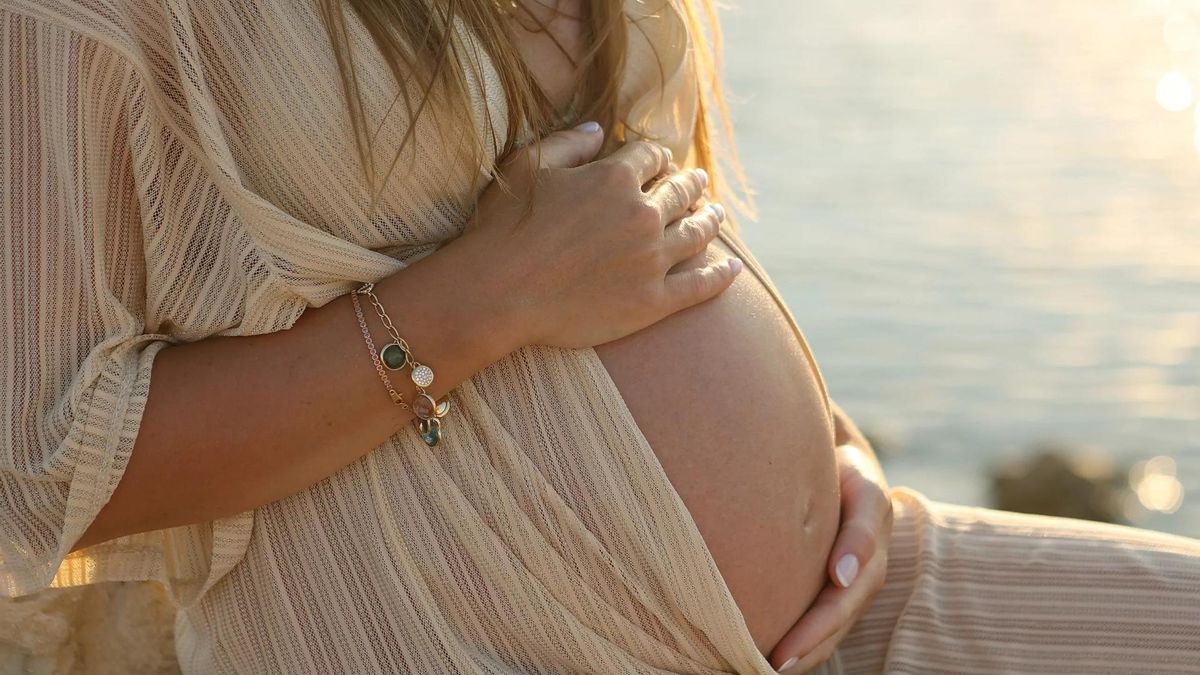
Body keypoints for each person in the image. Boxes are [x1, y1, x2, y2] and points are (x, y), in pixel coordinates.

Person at [1, 0, 1197, 673]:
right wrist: (483, 296)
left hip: (849, 611)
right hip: (467, 642)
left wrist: (830, 457)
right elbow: (38, 464)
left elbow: (655, 243)